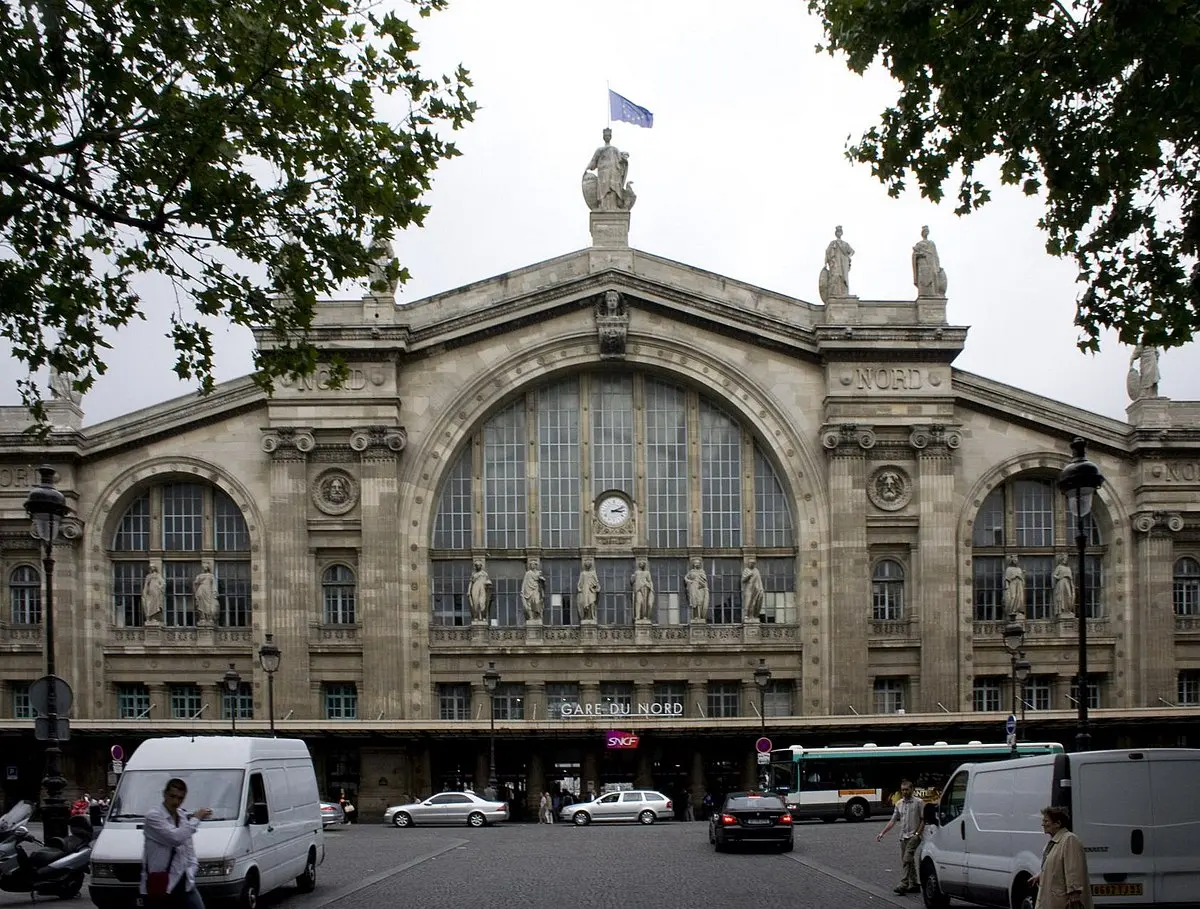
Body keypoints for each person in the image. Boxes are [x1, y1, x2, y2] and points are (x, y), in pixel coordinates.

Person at [142, 778, 213, 909]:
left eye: (180, 798)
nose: (175, 802)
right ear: (164, 794)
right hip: (162, 884)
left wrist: (191, 869)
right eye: (172, 796)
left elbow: (188, 847)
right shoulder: (153, 816)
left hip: (184, 881)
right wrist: (196, 818)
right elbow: (175, 838)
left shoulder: (181, 815)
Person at [1030, 805, 1093, 909]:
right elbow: (1056, 867)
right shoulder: (1054, 842)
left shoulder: (1070, 840)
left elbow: (1073, 868)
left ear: (1058, 823)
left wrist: (1074, 893)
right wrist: (1040, 875)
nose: (1043, 824)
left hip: (1062, 901)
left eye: (1046, 821)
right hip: (1052, 900)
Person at [876, 779, 925, 895]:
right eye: (903, 790)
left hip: (914, 836)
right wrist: (882, 833)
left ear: (912, 789)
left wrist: (917, 834)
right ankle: (914, 884)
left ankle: (904, 883)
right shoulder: (899, 804)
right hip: (903, 836)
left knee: (907, 858)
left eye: (907, 789)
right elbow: (893, 821)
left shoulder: (919, 802)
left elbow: (924, 819)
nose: (904, 792)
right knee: (909, 860)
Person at [824, 225, 854, 297]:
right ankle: (834, 292)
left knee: (844, 278)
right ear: (836, 233)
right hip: (835, 263)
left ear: (841, 233)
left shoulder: (845, 244)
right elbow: (827, 252)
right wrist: (826, 262)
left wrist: (848, 257)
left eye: (840, 232)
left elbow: (852, 251)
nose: (839, 233)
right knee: (835, 276)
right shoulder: (832, 243)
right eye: (837, 232)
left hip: (843, 262)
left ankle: (844, 293)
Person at [577, 557, 600, 621]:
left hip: (591, 591)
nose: (588, 566)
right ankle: (586, 617)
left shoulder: (593, 573)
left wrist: (597, 587)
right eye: (586, 564)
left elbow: (597, 582)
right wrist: (579, 589)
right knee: (585, 604)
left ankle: (592, 616)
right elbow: (579, 583)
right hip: (585, 591)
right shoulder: (583, 573)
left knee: (592, 603)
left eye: (589, 564)